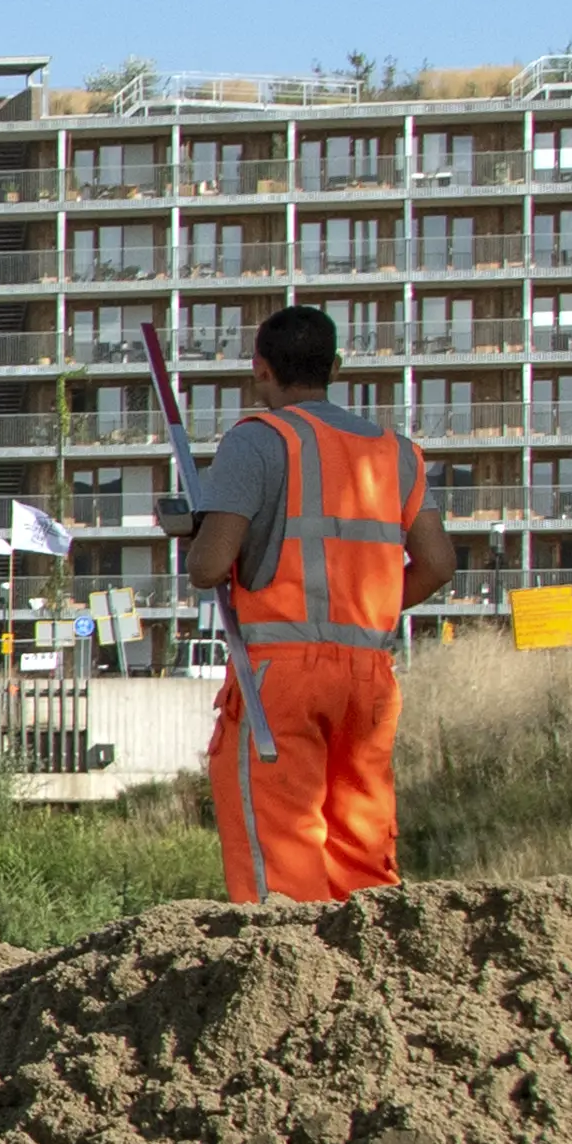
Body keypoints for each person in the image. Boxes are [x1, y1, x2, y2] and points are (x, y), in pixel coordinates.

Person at [172, 301, 457, 905]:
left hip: (283, 677)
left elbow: (208, 567)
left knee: (281, 863)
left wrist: (193, 533)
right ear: (337, 366)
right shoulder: (396, 452)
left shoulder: (258, 442)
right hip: (370, 678)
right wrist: (370, 614)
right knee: (363, 855)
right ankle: (368, 979)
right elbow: (437, 564)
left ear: (261, 370)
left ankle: (288, 987)